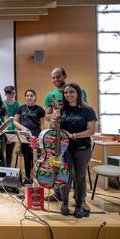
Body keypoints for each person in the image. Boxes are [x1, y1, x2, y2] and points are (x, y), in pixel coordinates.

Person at [51, 83, 96, 218]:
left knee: (80, 177)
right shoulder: (61, 109)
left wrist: (75, 135)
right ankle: (64, 203)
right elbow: (53, 128)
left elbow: (91, 130)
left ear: (78, 93)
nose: (68, 95)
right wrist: (54, 119)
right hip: (65, 148)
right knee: (65, 175)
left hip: (82, 148)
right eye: (65, 93)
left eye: (71, 92)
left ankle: (79, 205)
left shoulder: (88, 110)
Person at [44, 67, 88, 201]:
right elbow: (47, 115)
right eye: (53, 77)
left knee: (78, 172)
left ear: (65, 76)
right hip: (60, 138)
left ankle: (80, 198)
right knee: (59, 167)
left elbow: (85, 109)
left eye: (58, 76)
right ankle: (59, 195)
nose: (56, 80)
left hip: (79, 137)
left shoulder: (78, 91)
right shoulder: (50, 96)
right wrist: (54, 116)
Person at [13, 89, 45, 184]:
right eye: (27, 95)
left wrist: (41, 138)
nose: (29, 97)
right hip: (24, 136)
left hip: (36, 136)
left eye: (31, 95)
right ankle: (27, 178)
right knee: (27, 158)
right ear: (25, 97)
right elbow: (14, 121)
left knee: (35, 158)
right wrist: (22, 127)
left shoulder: (40, 109)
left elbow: (42, 125)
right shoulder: (20, 108)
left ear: (35, 97)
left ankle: (35, 178)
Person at [3, 85, 20, 168]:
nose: (12, 95)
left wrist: (13, 134)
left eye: (14, 93)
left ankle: (7, 173)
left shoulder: (18, 105)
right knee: (0, 154)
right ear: (6, 94)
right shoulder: (2, 104)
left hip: (13, 132)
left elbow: (18, 121)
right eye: (10, 93)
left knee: (9, 154)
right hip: (2, 132)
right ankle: (1, 173)